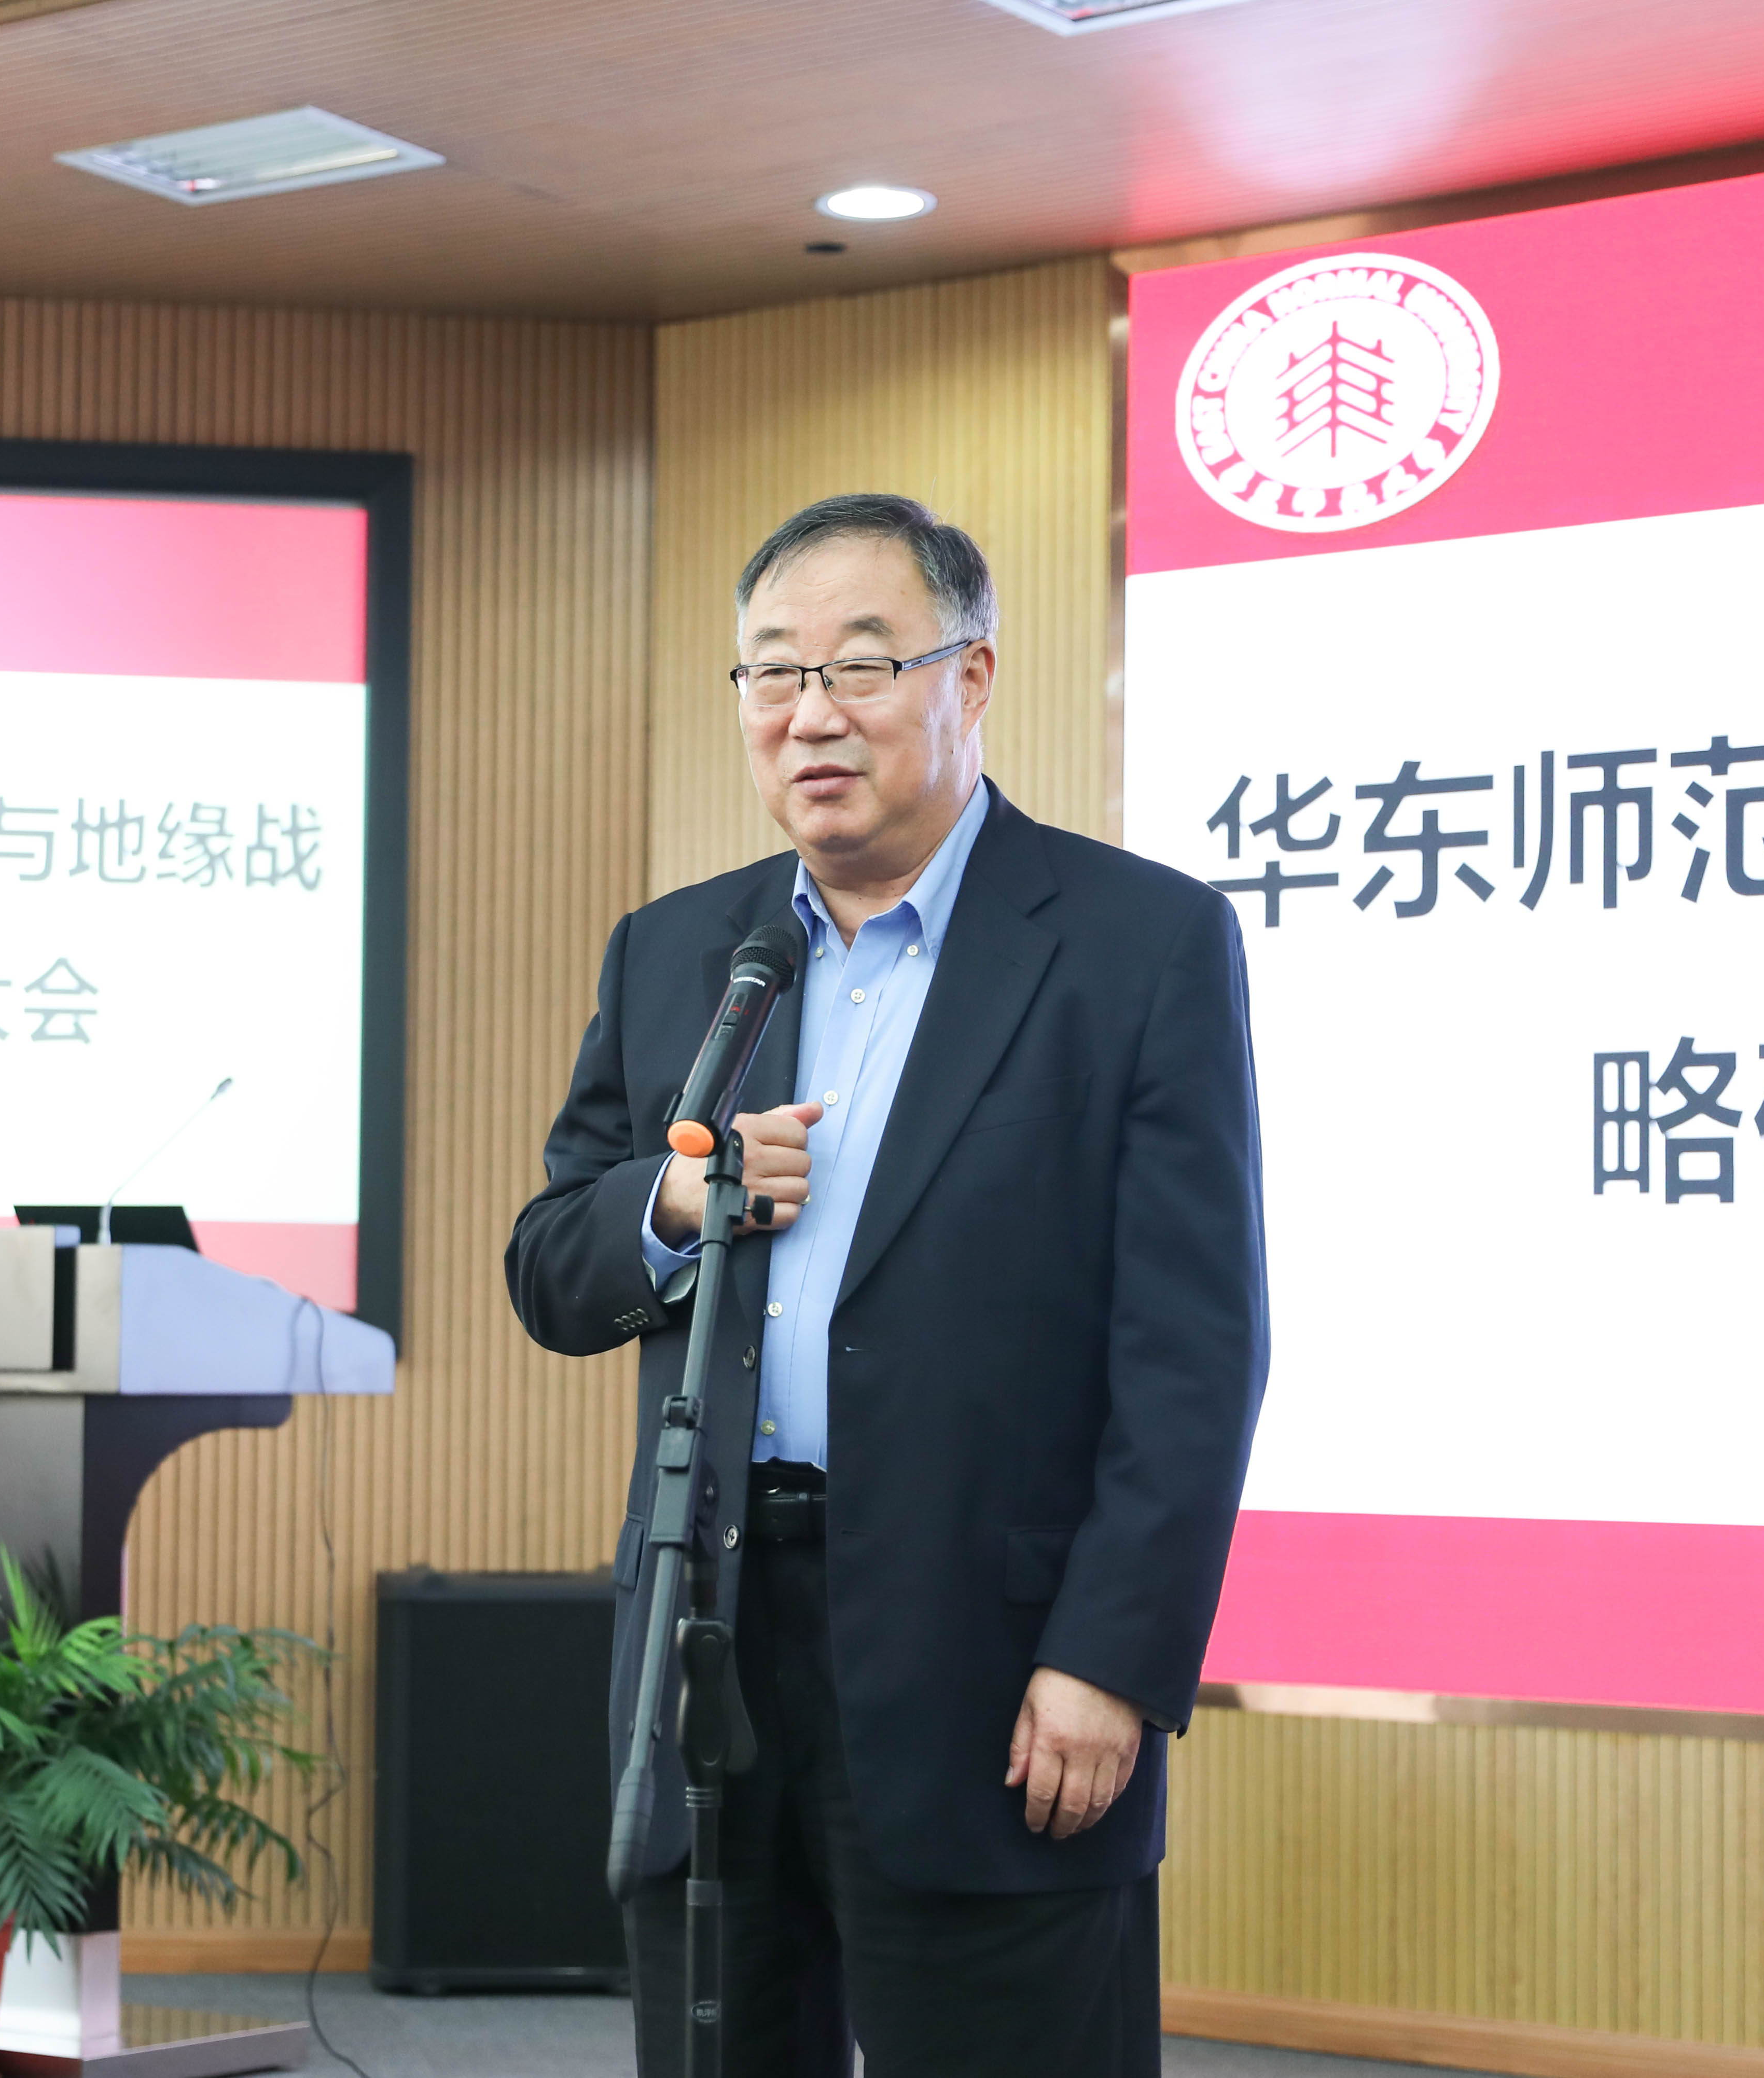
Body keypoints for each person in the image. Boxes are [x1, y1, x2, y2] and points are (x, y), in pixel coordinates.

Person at [504, 494, 1269, 2075]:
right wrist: (674, 1201)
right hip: (710, 1648)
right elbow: (552, 1268)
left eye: (859, 666)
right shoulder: (680, 953)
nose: (809, 715)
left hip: (992, 1662)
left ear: (969, 677)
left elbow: (1193, 1352)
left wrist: (1109, 1658)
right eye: (771, 673)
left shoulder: (1135, 944)